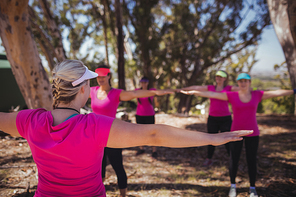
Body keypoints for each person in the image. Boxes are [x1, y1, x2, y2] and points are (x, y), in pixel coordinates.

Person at [0, 59, 253, 196]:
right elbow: (155, 134)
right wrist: (212, 138)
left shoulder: (31, 120)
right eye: (90, 82)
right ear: (82, 89)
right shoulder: (93, 126)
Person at [180, 72, 295, 197]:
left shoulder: (257, 95)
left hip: (253, 132)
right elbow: (212, 94)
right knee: (233, 160)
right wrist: (194, 92)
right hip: (235, 132)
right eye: (241, 81)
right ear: (238, 83)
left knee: (251, 160)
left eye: (246, 81)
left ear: (249, 82)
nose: (243, 83)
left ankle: (252, 188)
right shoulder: (232, 95)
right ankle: (233, 186)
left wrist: (293, 91)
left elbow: (276, 93)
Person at [89, 65, 174, 197]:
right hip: (95, 138)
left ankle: (123, 195)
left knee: (118, 168)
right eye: (98, 76)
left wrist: (155, 92)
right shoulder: (92, 91)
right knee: (98, 170)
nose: (100, 79)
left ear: (109, 76)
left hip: (112, 137)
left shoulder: (116, 93)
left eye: (103, 76)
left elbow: (135, 94)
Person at [181, 70, 239, 167]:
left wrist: (255, 90)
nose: (218, 78)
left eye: (220, 77)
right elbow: (196, 87)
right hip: (213, 118)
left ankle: (233, 159)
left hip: (225, 118)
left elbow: (243, 89)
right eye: (217, 76)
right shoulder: (211, 88)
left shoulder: (229, 88)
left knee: (228, 139)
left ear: (225, 78)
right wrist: (182, 89)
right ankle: (209, 158)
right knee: (211, 139)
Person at [135, 76, 158, 158]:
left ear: (147, 83)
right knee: (140, 132)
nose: (143, 84)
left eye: (145, 82)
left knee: (151, 133)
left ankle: (154, 150)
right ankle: (142, 148)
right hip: (139, 114)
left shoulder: (152, 91)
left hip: (149, 114)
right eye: (142, 82)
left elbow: (159, 92)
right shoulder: (137, 91)